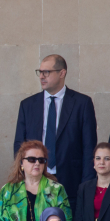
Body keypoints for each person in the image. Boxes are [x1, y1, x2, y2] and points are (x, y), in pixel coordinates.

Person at [13, 56, 97, 210]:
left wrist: (86, 185)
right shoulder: (28, 105)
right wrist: (23, 177)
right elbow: (20, 145)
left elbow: (89, 146)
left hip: (70, 181)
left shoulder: (81, 103)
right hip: (35, 179)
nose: (41, 76)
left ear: (62, 73)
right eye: (40, 72)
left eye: (47, 72)